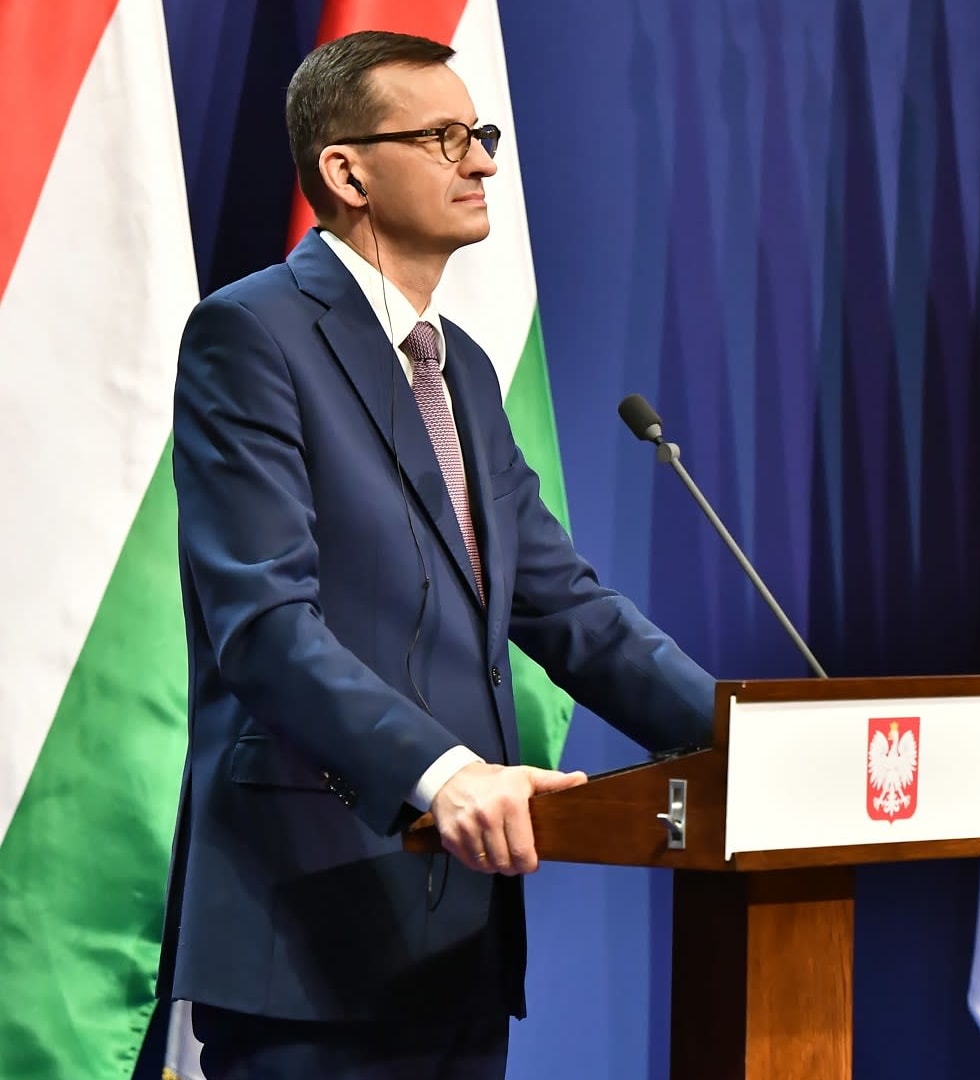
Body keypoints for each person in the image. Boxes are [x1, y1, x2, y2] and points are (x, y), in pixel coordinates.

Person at [156, 30, 715, 1077]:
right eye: (445, 138)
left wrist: (743, 736)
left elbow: (566, 607)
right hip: (311, 929)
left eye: (482, 134)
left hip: (457, 936)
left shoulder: (461, 370)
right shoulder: (250, 335)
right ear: (347, 171)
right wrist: (444, 772)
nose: (484, 162)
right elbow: (265, 627)